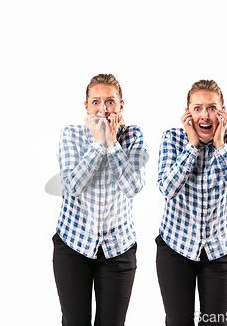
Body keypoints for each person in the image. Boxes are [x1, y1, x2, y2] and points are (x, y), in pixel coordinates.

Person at [52, 74, 147, 326]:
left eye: (110, 102)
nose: (103, 109)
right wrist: (98, 143)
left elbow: (133, 187)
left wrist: (112, 142)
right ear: (86, 107)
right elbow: (72, 186)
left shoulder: (134, 136)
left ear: (121, 105)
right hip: (73, 246)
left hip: (118, 249)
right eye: (95, 102)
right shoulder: (71, 135)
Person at [156, 80, 227, 326]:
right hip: (176, 249)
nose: (205, 115)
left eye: (212, 108)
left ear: (222, 111)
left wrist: (220, 145)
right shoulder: (173, 139)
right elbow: (167, 188)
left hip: (221, 250)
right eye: (197, 108)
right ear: (188, 112)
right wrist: (192, 146)